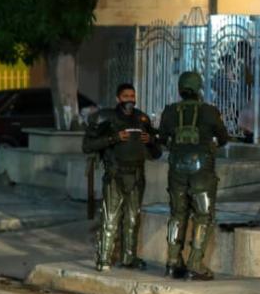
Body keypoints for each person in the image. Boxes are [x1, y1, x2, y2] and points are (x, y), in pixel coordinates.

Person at [158, 71, 229, 280]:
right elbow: (223, 138)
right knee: (203, 215)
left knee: (177, 215)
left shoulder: (170, 111)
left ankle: (172, 261)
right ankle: (195, 264)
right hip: (202, 171)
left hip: (177, 170)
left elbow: (162, 138)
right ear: (198, 88)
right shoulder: (209, 111)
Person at [82, 83, 162, 271]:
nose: (130, 99)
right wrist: (114, 138)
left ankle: (129, 258)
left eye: (132, 96)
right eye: (126, 96)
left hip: (136, 175)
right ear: (118, 98)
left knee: (133, 219)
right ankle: (103, 259)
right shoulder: (105, 117)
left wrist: (150, 140)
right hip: (115, 175)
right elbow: (87, 146)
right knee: (110, 219)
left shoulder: (142, 119)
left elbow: (157, 151)